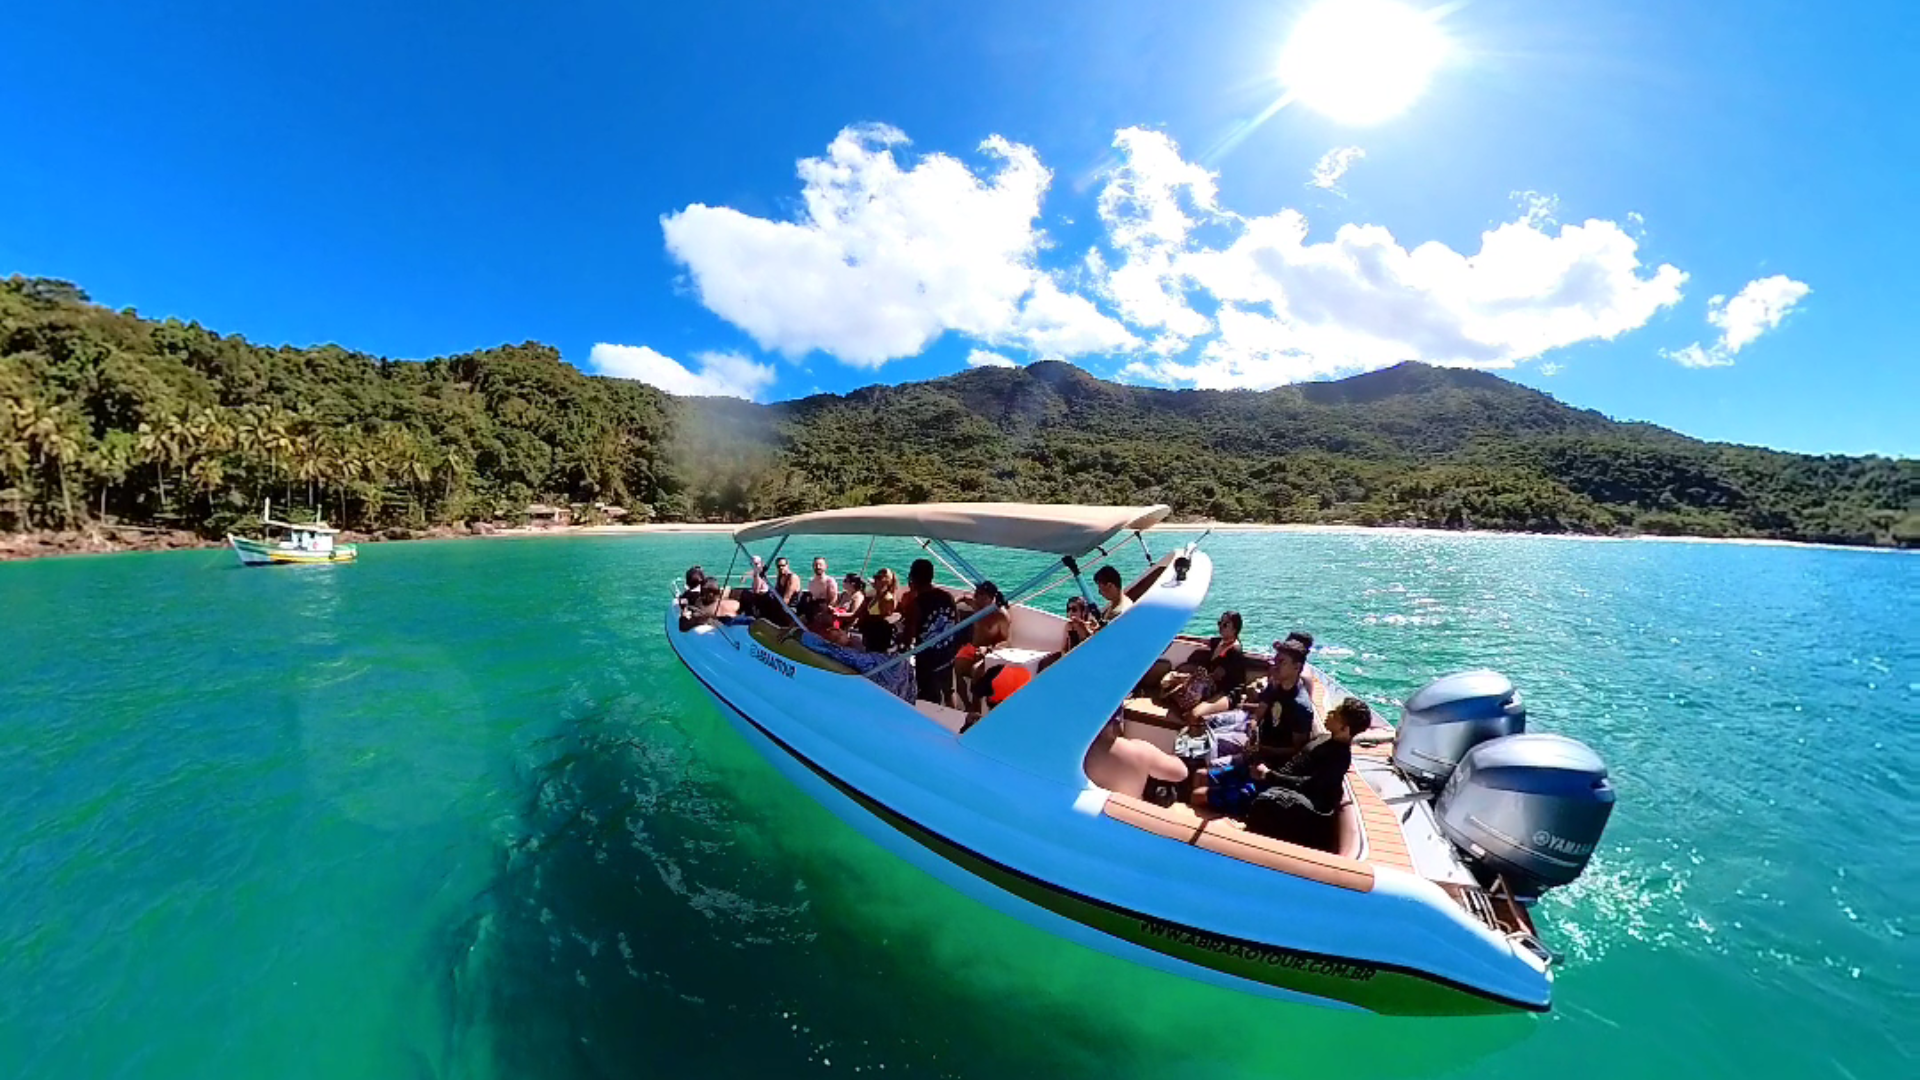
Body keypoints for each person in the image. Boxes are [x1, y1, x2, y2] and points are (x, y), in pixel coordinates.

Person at [1190, 639, 1317, 814]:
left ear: (1297, 667)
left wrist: (1262, 750)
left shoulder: (1300, 707)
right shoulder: (1276, 688)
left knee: (1199, 795)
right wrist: (1253, 727)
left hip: (1267, 773)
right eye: (1276, 659)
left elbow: (1297, 751)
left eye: (1282, 662)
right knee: (1199, 775)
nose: (1275, 665)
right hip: (1254, 758)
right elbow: (1260, 713)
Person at [1244, 698, 1372, 851]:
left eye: (1335, 715)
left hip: (1305, 804)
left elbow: (1309, 785)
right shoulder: (1323, 739)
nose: (1329, 714)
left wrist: (1269, 776)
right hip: (1278, 780)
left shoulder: (1339, 757)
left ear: (1345, 728)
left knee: (1266, 801)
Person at [1084, 715, 1189, 801]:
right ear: (1117, 722)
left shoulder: (1073, 751)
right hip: (1123, 818)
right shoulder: (1139, 751)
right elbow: (1181, 773)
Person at [901, 558, 961, 705]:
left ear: (912, 578)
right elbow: (956, 623)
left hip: (928, 661)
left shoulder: (916, 604)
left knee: (928, 699)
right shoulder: (947, 597)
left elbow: (908, 638)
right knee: (949, 691)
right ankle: (950, 720)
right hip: (947, 654)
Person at [954, 581, 1011, 710]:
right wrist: (954, 602)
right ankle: (967, 706)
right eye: (976, 593)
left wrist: (988, 649)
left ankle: (976, 708)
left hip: (990, 652)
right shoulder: (976, 605)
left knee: (976, 671)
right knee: (957, 664)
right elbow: (963, 597)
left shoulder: (1001, 615)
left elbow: (1006, 641)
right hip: (972, 648)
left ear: (990, 598)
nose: (976, 597)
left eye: (980, 595)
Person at [857, 567, 899, 653]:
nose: (875, 580)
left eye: (878, 578)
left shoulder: (887, 599)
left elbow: (884, 621)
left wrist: (867, 618)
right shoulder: (877, 595)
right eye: (875, 577)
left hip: (877, 636)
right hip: (870, 633)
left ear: (886, 581)